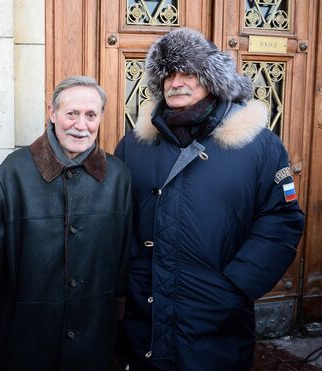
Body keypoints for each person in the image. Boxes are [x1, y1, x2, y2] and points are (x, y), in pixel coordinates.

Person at [115, 28, 304, 371]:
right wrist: (130, 274)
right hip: (146, 315)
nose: (176, 82)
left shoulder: (258, 144)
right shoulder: (135, 144)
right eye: (168, 74)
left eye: (188, 72)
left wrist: (237, 284)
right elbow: (118, 218)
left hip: (219, 320)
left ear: (211, 79)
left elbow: (281, 218)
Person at [0, 76, 132, 371]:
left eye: (90, 115)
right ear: (52, 113)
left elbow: (124, 256)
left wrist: (118, 319)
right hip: (26, 337)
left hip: (94, 337)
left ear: (101, 117)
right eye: (71, 114)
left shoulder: (118, 175)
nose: (81, 125)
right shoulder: (15, 171)